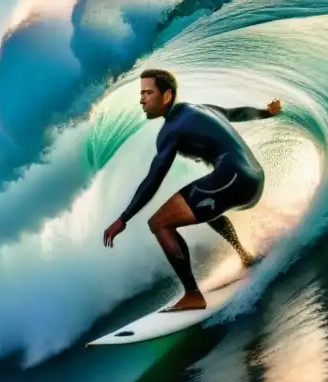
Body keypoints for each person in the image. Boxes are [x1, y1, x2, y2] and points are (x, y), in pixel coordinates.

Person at [102, 68, 282, 312]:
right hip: (252, 177)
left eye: (147, 93)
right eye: (141, 93)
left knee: (159, 223)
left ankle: (192, 295)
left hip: (235, 179)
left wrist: (123, 219)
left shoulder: (171, 130)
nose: (141, 100)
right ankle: (245, 256)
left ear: (166, 96)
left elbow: (153, 179)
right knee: (202, 203)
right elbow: (234, 113)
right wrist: (266, 113)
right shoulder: (200, 109)